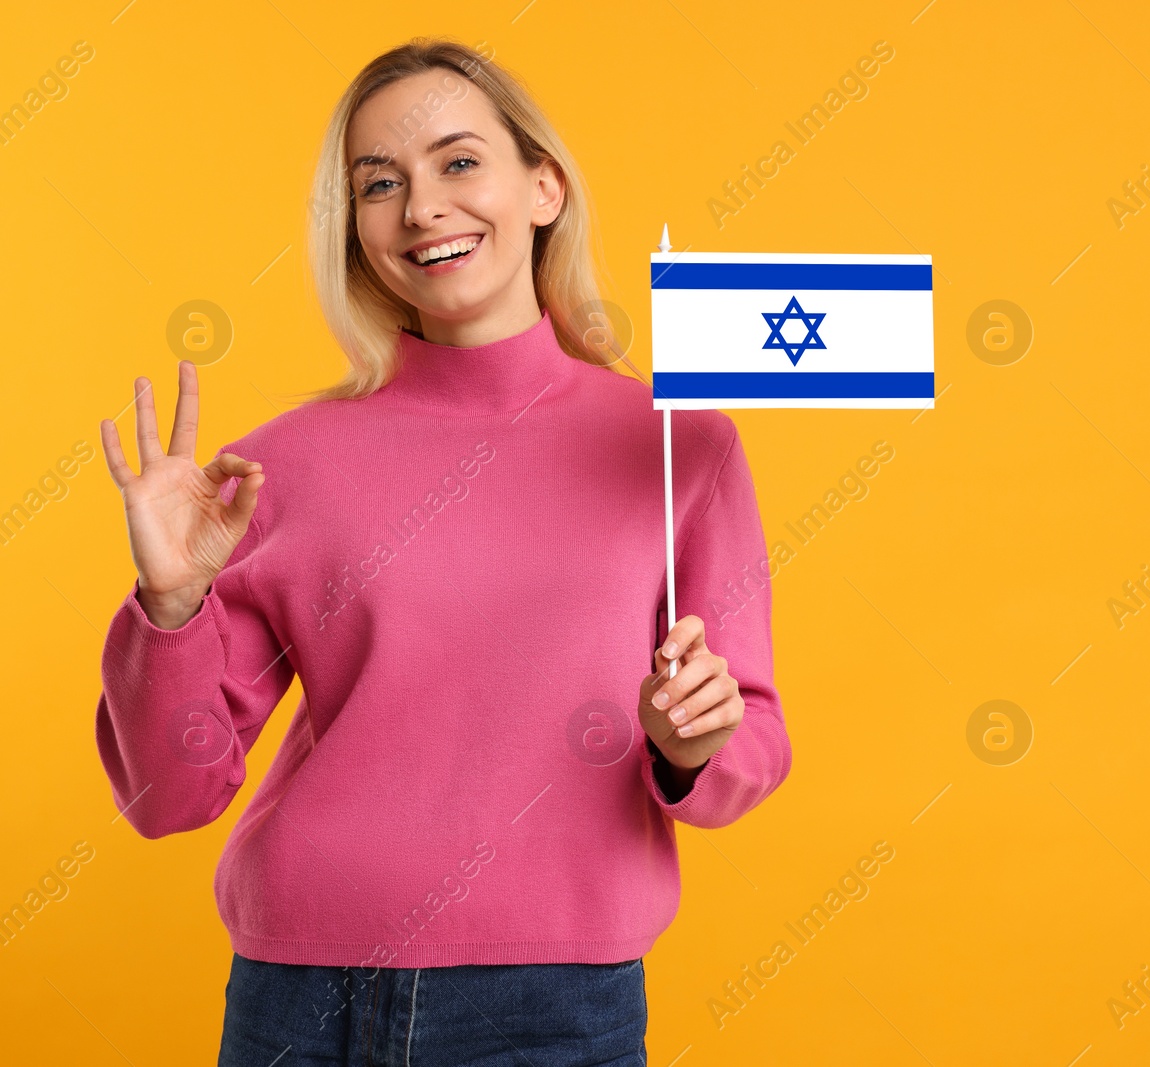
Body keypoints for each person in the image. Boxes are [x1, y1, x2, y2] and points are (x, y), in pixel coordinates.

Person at [92, 36, 792, 1065]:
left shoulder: (678, 441)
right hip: (300, 999)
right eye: (380, 184)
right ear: (356, 229)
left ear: (543, 185)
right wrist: (168, 602)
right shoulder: (274, 468)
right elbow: (167, 794)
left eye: (458, 163)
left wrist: (693, 744)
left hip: (559, 1005)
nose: (421, 207)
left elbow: (752, 744)